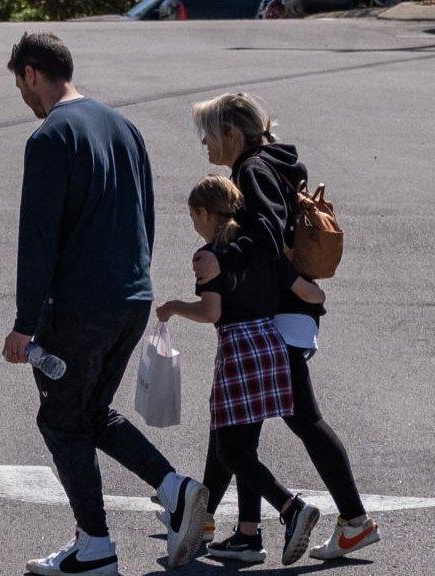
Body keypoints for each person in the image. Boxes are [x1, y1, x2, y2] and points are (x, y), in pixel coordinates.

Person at [1, 32, 208, 575]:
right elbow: (147, 215)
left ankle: (96, 545)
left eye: (20, 85)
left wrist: (25, 324)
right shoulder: (125, 128)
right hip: (129, 297)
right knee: (89, 413)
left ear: (31, 73)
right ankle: (173, 490)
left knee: (62, 421)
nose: (23, 98)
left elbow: (38, 237)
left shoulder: (50, 138)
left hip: (79, 306)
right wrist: (138, 282)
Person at [191, 92, 382, 561]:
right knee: (239, 421)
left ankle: (350, 521)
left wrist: (222, 258)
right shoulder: (270, 164)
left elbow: (266, 236)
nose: (205, 145)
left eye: (209, 135)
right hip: (279, 312)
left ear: (233, 134)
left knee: (294, 419)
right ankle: (234, 528)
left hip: (276, 314)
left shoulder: (252, 170)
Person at [157, 175, 325, 565]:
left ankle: (291, 508)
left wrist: (174, 307)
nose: (194, 225)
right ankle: (246, 535)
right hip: (271, 344)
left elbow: (211, 311)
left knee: (232, 450)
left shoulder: (208, 256)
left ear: (203, 212)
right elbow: (307, 292)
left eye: (193, 217)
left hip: (238, 350)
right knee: (238, 445)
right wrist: (319, 299)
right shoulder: (260, 247)